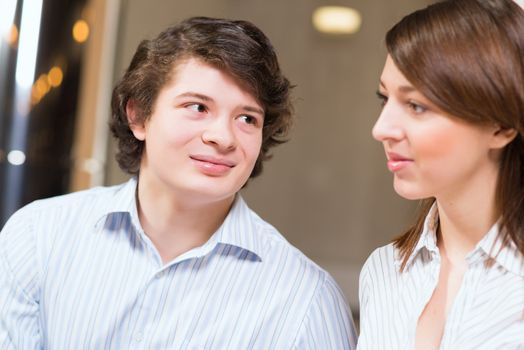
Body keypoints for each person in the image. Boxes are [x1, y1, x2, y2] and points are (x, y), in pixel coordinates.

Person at [0, 17, 357, 349]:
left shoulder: (307, 301)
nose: (223, 137)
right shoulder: (39, 237)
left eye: (247, 118)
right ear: (138, 114)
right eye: (198, 107)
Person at [358, 1, 524, 349]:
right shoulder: (383, 270)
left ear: (502, 126)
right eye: (383, 98)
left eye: (416, 105)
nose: (381, 129)